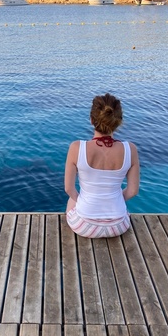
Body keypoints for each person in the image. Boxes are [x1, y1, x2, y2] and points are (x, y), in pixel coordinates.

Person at [64, 93, 140, 238]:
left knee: (72, 200)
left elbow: (69, 189)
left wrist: (85, 202)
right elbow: (133, 191)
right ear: (118, 121)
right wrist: (113, 200)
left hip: (84, 226)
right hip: (119, 226)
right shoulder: (130, 149)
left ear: (91, 120)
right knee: (119, 202)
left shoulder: (76, 148)